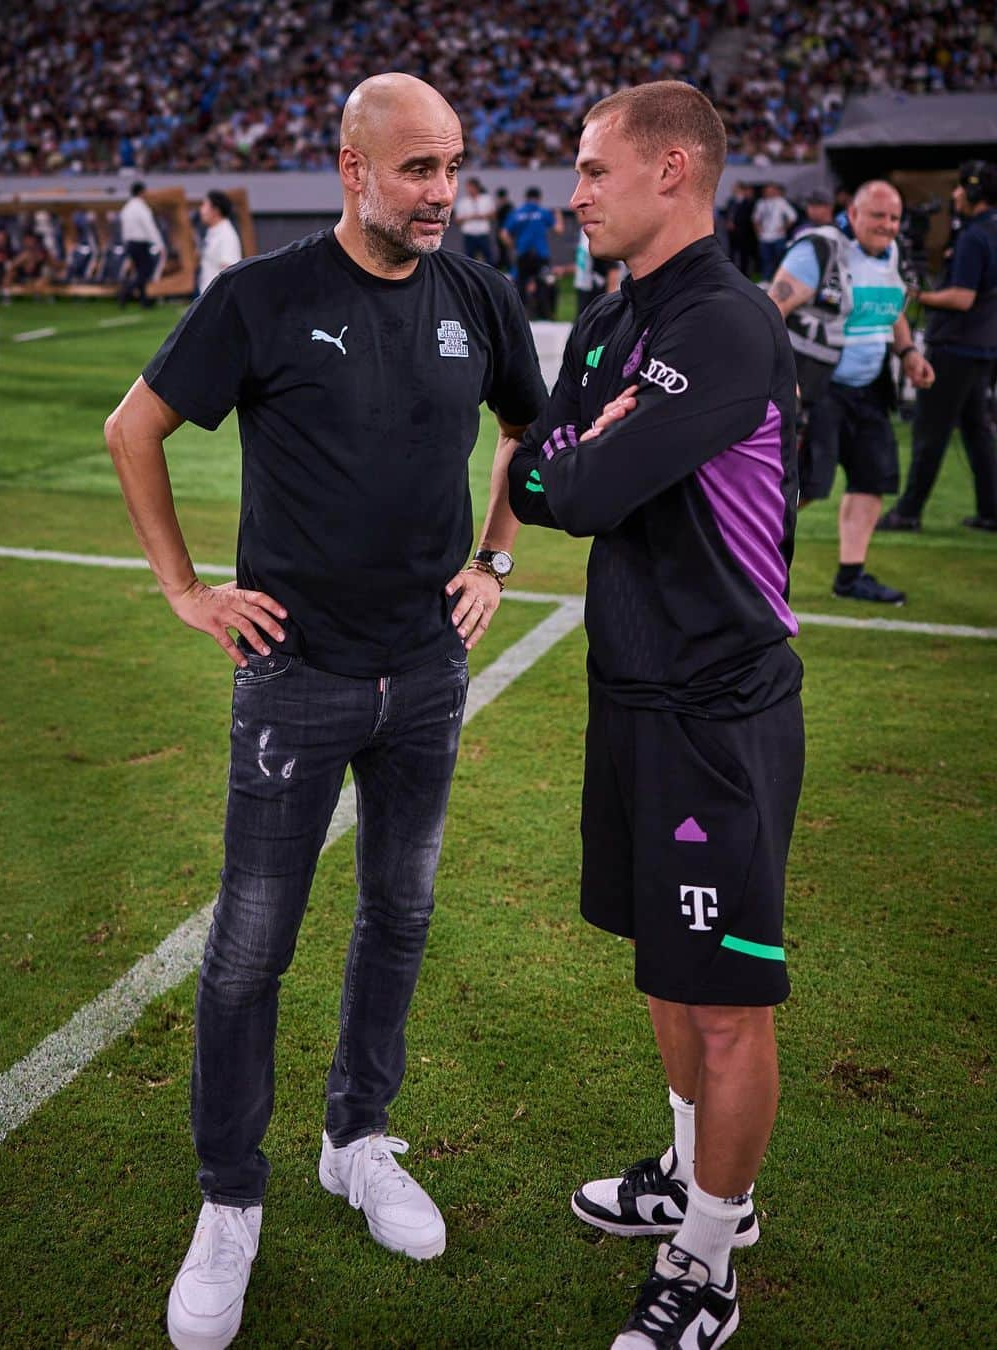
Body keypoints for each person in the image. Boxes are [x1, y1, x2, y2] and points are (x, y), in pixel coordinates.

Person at [104, 72, 545, 1350]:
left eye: (452, 166)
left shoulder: (481, 297)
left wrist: (496, 559)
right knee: (250, 947)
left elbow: (531, 430)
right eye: (417, 169)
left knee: (399, 912)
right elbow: (137, 429)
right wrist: (187, 591)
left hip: (427, 674)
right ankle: (228, 1201)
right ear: (352, 167)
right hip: (294, 677)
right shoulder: (263, 297)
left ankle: (357, 1139)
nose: (442, 194)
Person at [508, 80, 804, 1350]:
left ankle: (708, 1262)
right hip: (628, 693)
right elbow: (535, 465)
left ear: (672, 170)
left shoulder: (729, 326)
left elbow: (580, 489)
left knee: (728, 1000)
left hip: (717, 710)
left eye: (591, 170)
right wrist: (579, 451)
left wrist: (583, 456)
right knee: (664, 972)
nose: (573, 192)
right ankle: (692, 1186)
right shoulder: (609, 319)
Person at [770, 180, 935, 603]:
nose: (887, 225)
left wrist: (909, 353)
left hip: (870, 388)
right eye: (878, 216)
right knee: (804, 486)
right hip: (818, 388)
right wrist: (781, 375)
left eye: (894, 218)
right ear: (854, 214)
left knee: (871, 480)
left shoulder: (893, 254)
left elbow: (892, 309)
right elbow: (770, 312)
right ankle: (748, 565)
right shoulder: (819, 251)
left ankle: (850, 576)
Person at [878, 160, 997, 533]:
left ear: (976, 192)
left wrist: (919, 296)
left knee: (930, 432)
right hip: (982, 348)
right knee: (978, 433)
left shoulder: (975, 237)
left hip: (955, 347)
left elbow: (962, 297)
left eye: (962, 188)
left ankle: (908, 511)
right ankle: (991, 510)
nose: (956, 194)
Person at [501, 185, 562, 319]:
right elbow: (559, 230)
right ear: (539, 198)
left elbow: (504, 234)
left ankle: (520, 316)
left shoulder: (517, 213)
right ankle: (545, 314)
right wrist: (557, 213)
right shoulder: (542, 212)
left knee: (520, 284)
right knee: (544, 283)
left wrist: (513, 246)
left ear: (526, 198)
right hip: (540, 255)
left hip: (523, 254)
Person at [118, 180, 164, 308]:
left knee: (139, 271)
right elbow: (150, 227)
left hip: (130, 243)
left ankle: (144, 301)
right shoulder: (142, 208)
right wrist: (159, 244)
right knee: (146, 270)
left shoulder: (126, 208)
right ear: (142, 192)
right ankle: (126, 292)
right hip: (141, 243)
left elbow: (124, 228)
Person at [197, 190, 243, 293]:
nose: (201, 210)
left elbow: (229, 270)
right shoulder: (212, 231)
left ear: (216, 210)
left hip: (218, 297)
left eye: (204, 205)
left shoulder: (227, 235)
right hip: (206, 294)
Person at [752, 182, 797, 279]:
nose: (769, 192)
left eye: (771, 190)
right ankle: (766, 280)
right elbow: (755, 219)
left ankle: (779, 280)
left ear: (775, 191)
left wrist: (784, 227)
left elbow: (793, 216)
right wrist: (758, 231)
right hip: (764, 237)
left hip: (778, 237)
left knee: (780, 260)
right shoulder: (761, 203)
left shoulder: (781, 202)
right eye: (767, 191)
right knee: (765, 261)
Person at [453, 175, 495, 264]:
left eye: (470, 187)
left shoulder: (486, 199)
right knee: (469, 259)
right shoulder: (463, 202)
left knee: (489, 258)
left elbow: (493, 215)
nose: (468, 189)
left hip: (483, 233)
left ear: (476, 187)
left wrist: (482, 216)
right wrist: (470, 217)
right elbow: (457, 220)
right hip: (469, 234)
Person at [721, 181, 756, 276]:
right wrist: (728, 221)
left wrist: (736, 223)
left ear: (741, 189)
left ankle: (744, 273)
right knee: (732, 252)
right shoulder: (731, 201)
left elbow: (748, 217)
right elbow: (728, 213)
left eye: (735, 187)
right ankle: (732, 273)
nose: (733, 189)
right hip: (732, 232)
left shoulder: (749, 202)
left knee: (743, 253)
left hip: (744, 232)